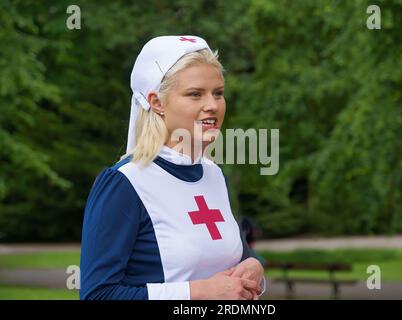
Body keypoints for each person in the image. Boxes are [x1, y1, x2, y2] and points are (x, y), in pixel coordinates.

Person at [79, 35, 265, 300]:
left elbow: (232, 254)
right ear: (157, 102)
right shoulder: (124, 183)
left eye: (218, 93)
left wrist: (255, 266)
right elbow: (98, 295)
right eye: (195, 94)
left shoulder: (214, 174)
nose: (212, 105)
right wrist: (197, 293)